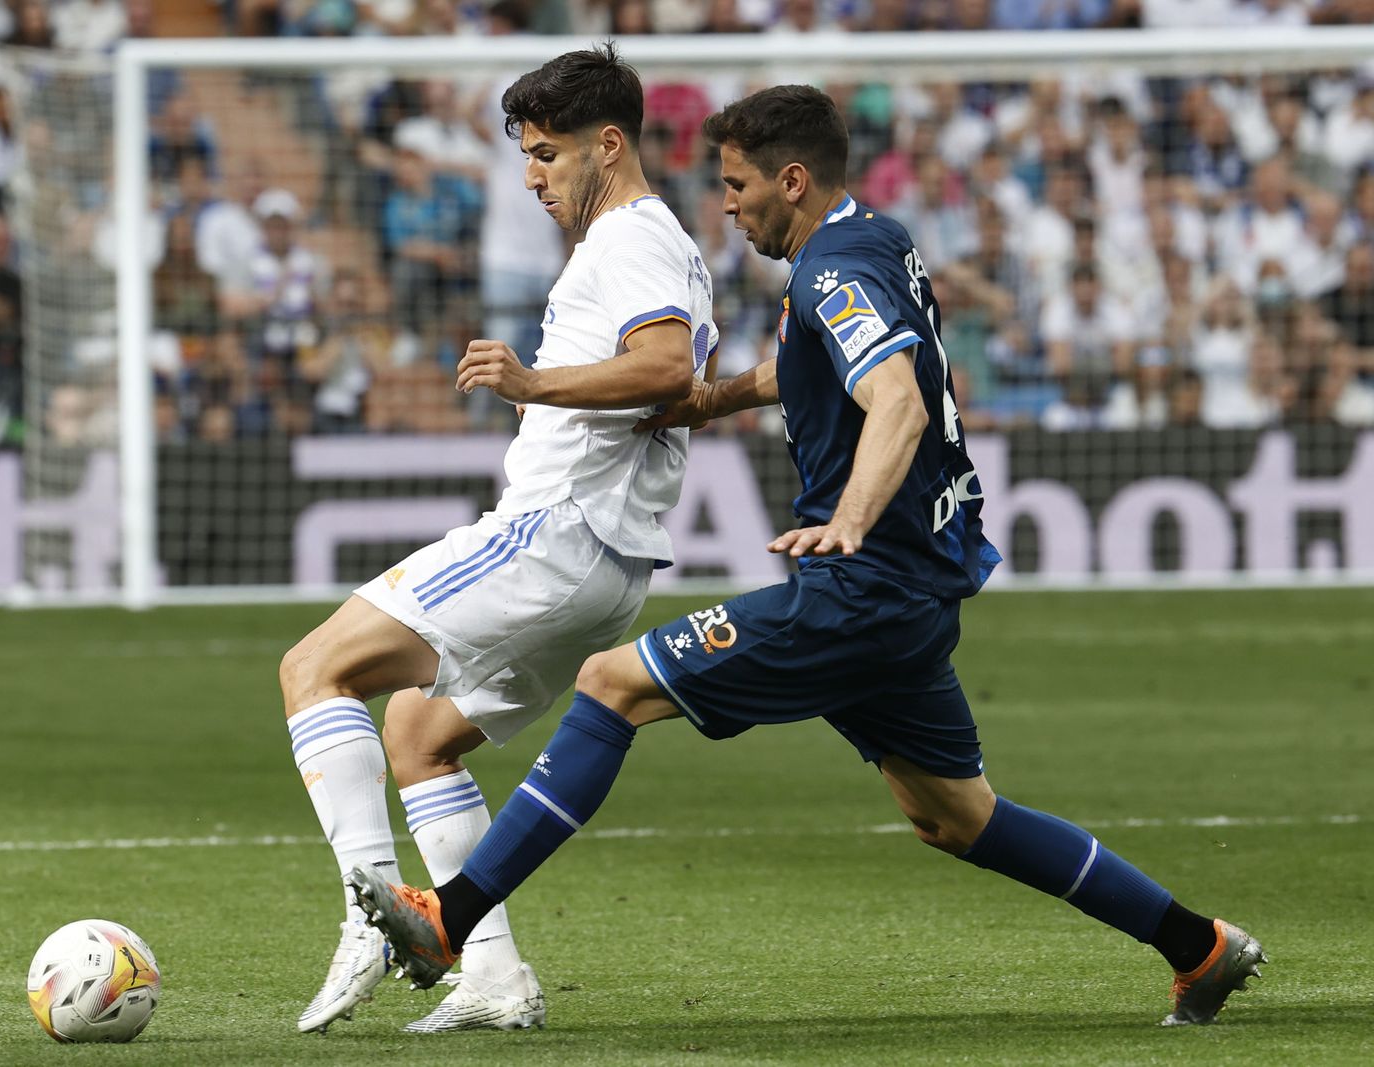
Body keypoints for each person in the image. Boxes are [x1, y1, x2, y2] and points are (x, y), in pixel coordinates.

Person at [353, 85, 1267, 1031]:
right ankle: (1197, 944)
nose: (728, 205)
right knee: (957, 817)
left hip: (860, 589)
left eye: (739, 184)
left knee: (610, 683)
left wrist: (852, 519)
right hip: (910, 597)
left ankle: (449, 919)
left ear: (792, 180)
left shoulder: (829, 275)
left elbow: (901, 400)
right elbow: (812, 358)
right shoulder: (880, 241)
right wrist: (715, 400)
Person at [279, 45, 718, 1036]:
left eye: (547, 155)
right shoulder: (661, 243)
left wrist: (532, 383)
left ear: (609, 145)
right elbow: (680, 385)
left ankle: (368, 909)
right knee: (418, 734)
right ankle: (493, 975)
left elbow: (660, 363)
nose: (531, 178)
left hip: (554, 532)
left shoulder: (630, 243)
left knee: (313, 667)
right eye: (526, 156)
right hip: (607, 564)